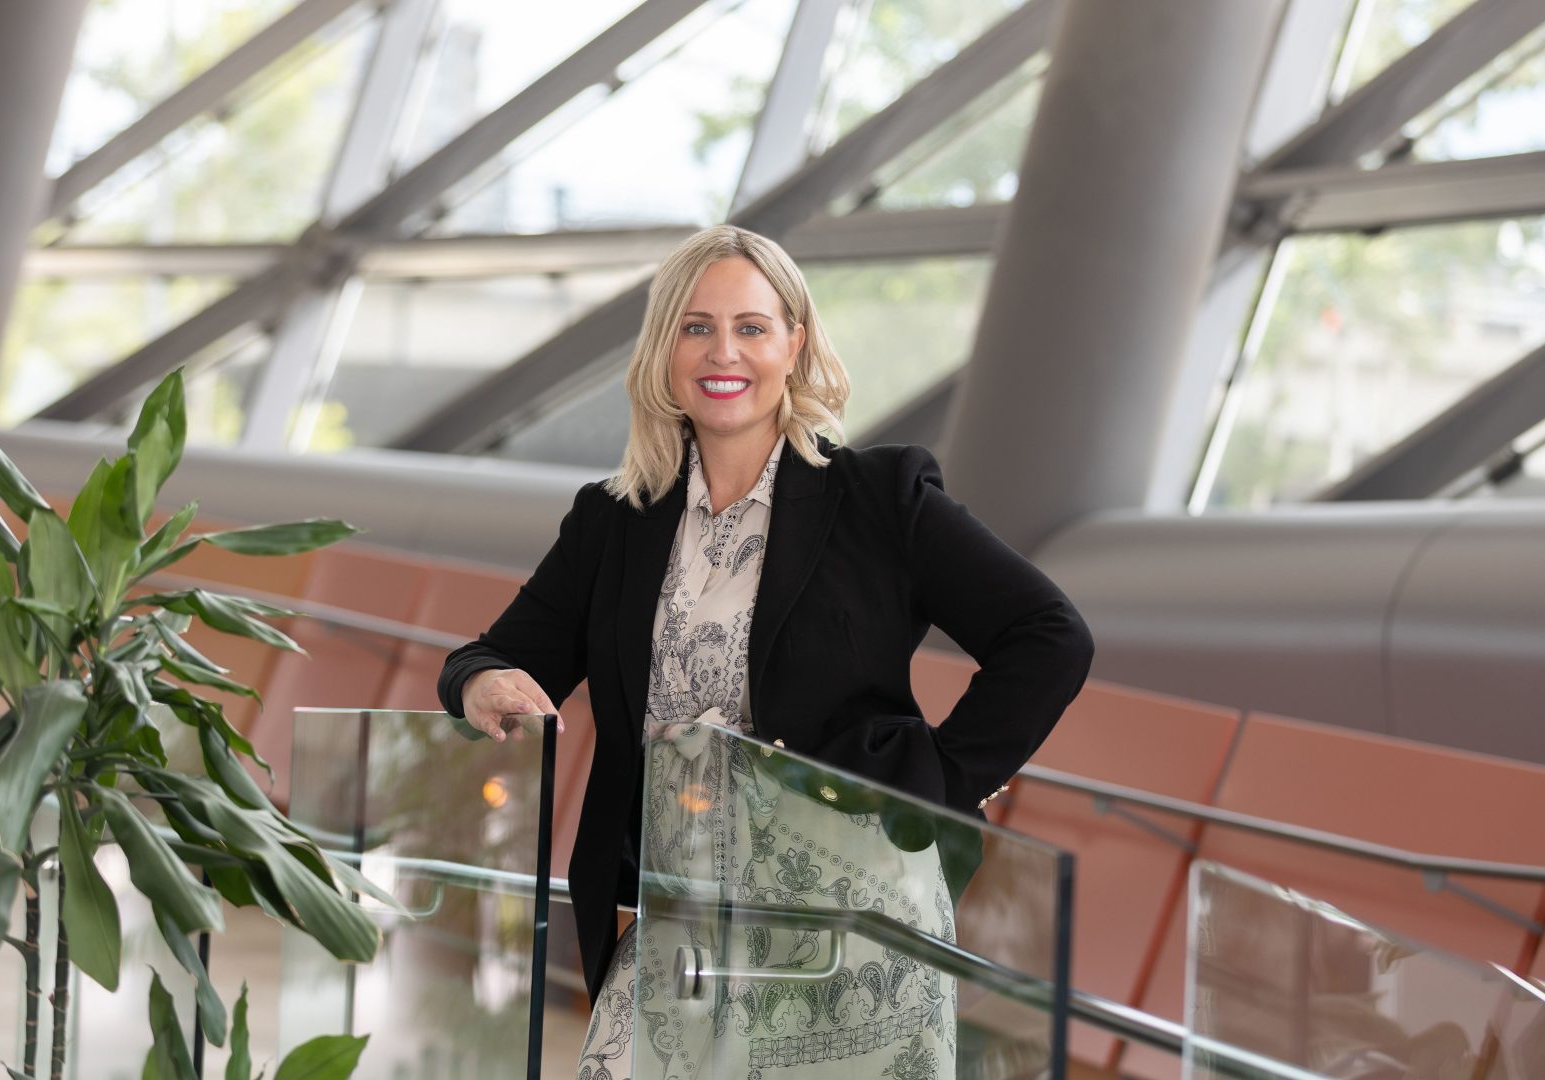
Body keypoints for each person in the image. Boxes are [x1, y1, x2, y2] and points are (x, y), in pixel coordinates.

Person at [438, 224, 1092, 1079]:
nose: (724, 352)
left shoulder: (880, 499)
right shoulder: (615, 521)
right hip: (681, 922)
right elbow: (492, 655)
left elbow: (1050, 636)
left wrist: (935, 782)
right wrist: (481, 682)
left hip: (853, 923)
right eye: (696, 327)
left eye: (751, 327)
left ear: (796, 344)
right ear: (664, 349)